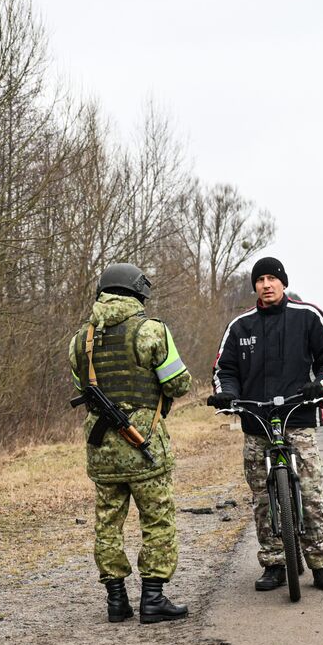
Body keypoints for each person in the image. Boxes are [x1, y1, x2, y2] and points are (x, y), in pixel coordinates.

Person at [208, 256, 323, 591]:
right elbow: (224, 370)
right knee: (260, 496)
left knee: (310, 493)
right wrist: (227, 395)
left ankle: (320, 563)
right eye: (260, 280)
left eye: (272, 278)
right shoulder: (240, 326)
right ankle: (273, 562)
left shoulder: (307, 316)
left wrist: (320, 387)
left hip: (298, 417)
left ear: (283, 283)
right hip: (256, 421)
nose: (266, 284)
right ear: (254, 286)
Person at [68, 263, 194, 623]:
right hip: (144, 448)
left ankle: (116, 600)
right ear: (138, 293)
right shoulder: (152, 331)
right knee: (157, 520)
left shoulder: (81, 339)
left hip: (102, 451)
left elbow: (82, 389)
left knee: (108, 523)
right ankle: (153, 599)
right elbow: (178, 384)